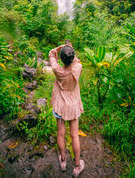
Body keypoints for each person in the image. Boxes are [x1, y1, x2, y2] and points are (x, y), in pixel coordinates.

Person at [49, 41, 85, 177]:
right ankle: (77, 166)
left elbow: (52, 54)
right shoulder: (78, 67)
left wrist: (60, 48)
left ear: (62, 59)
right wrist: (69, 49)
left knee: (60, 134)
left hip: (60, 105)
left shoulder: (57, 70)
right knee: (74, 135)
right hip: (73, 105)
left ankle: (63, 161)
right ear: (72, 57)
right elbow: (75, 59)